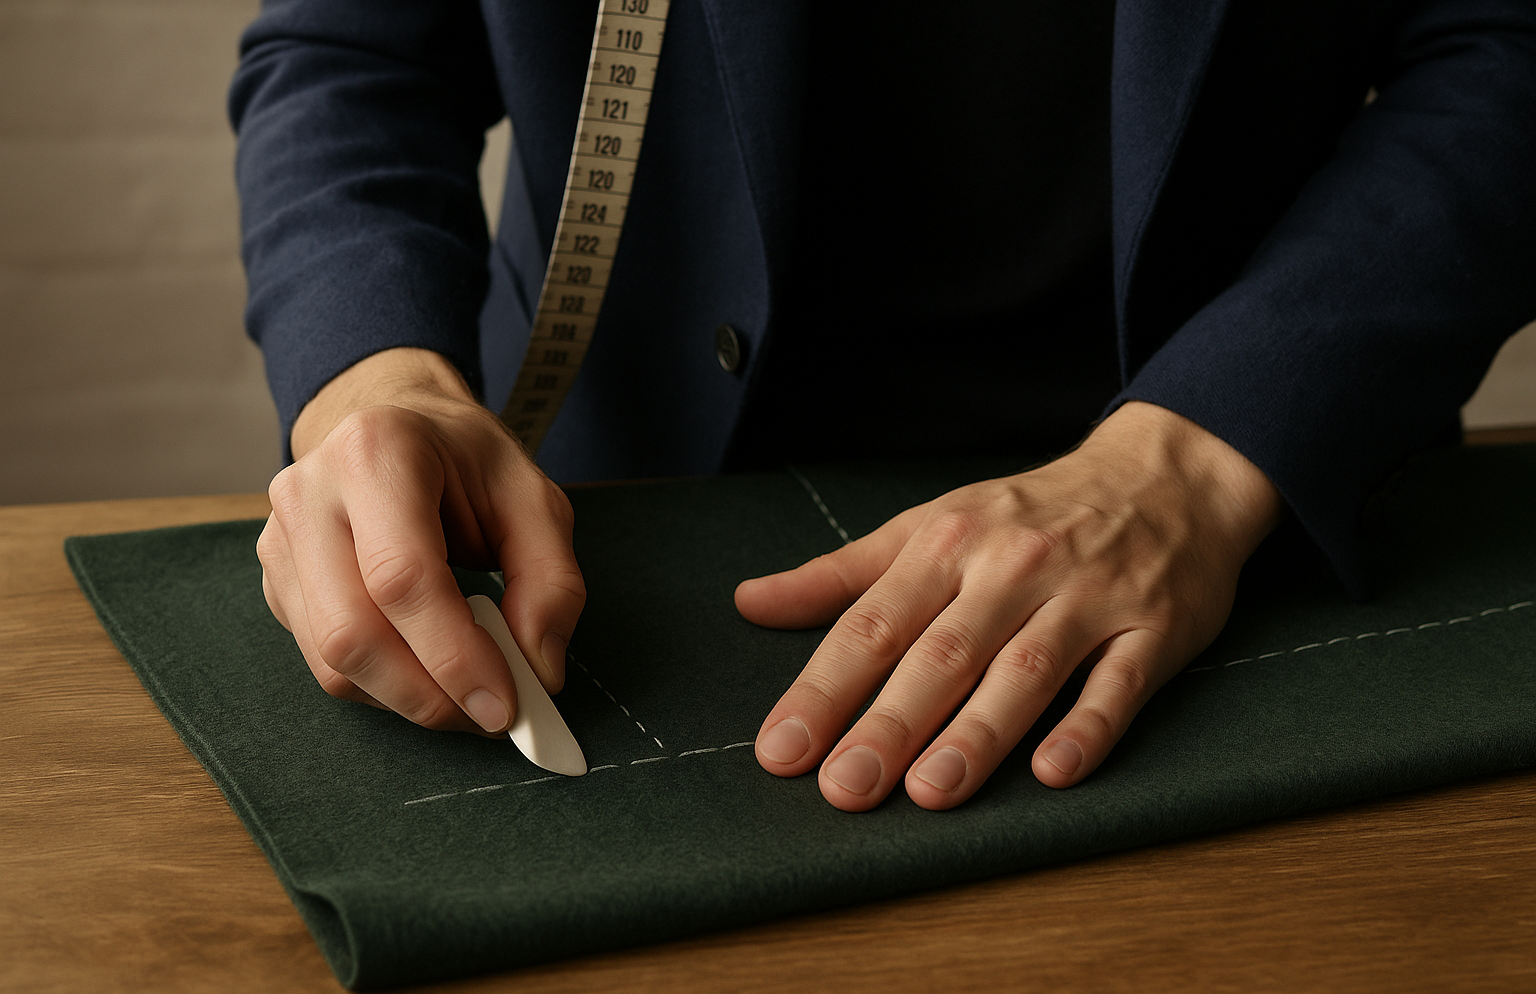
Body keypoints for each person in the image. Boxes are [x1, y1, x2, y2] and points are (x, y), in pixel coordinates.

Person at [230, 0, 1536, 813]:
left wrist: (1203, 456)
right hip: (616, 524)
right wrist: (376, 382)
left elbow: (1505, 43)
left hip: (1244, 508)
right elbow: (350, 52)